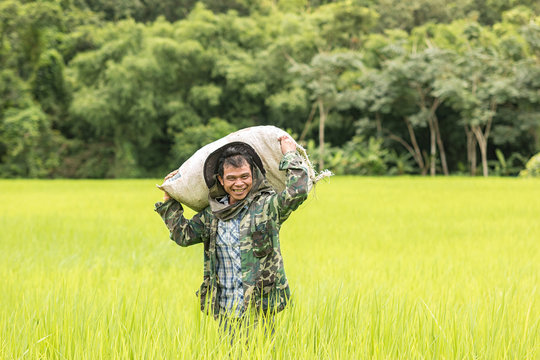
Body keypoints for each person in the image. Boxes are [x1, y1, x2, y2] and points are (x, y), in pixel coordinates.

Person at [154, 135, 309, 325]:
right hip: (225, 312)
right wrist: (169, 200)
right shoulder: (212, 215)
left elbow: (298, 192)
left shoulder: (267, 208)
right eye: (231, 178)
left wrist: (290, 154)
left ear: (253, 175)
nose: (239, 183)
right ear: (221, 179)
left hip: (260, 311)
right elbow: (182, 235)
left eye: (245, 176)